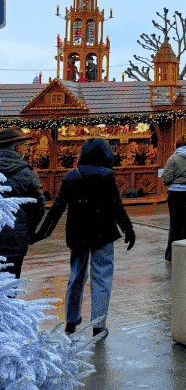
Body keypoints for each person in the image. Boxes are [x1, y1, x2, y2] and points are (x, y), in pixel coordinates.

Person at [34, 139, 135, 337]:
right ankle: (98, 325)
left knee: (76, 276)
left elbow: (57, 208)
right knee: (102, 278)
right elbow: (116, 206)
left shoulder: (71, 176)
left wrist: (43, 232)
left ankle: (71, 322)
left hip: (77, 233)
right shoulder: (107, 176)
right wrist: (128, 229)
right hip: (103, 233)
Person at [0, 128, 45, 279]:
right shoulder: (27, 173)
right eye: (24, 146)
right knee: (10, 286)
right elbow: (38, 208)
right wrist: (28, 231)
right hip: (15, 241)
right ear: (17, 147)